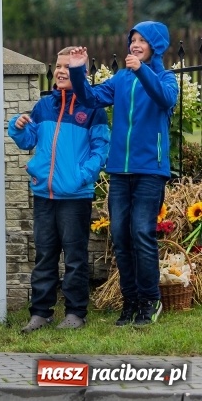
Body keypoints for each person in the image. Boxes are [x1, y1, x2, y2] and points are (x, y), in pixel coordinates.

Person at [68, 21, 178, 327]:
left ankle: (150, 300)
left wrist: (142, 70)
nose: (135, 44)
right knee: (120, 236)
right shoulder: (121, 79)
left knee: (141, 233)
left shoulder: (165, 78)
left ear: (154, 45)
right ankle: (130, 303)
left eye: (142, 40)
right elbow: (89, 98)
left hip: (150, 171)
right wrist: (78, 71)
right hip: (119, 171)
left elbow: (165, 99)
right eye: (133, 40)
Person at [8, 47, 110, 333]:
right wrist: (17, 127)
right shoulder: (44, 106)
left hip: (75, 196)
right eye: (58, 66)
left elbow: (101, 149)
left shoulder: (92, 109)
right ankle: (41, 312)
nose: (62, 70)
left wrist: (81, 176)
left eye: (69, 66)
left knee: (75, 257)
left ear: (82, 73)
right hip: (44, 194)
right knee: (45, 255)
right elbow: (28, 141)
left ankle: (76, 312)